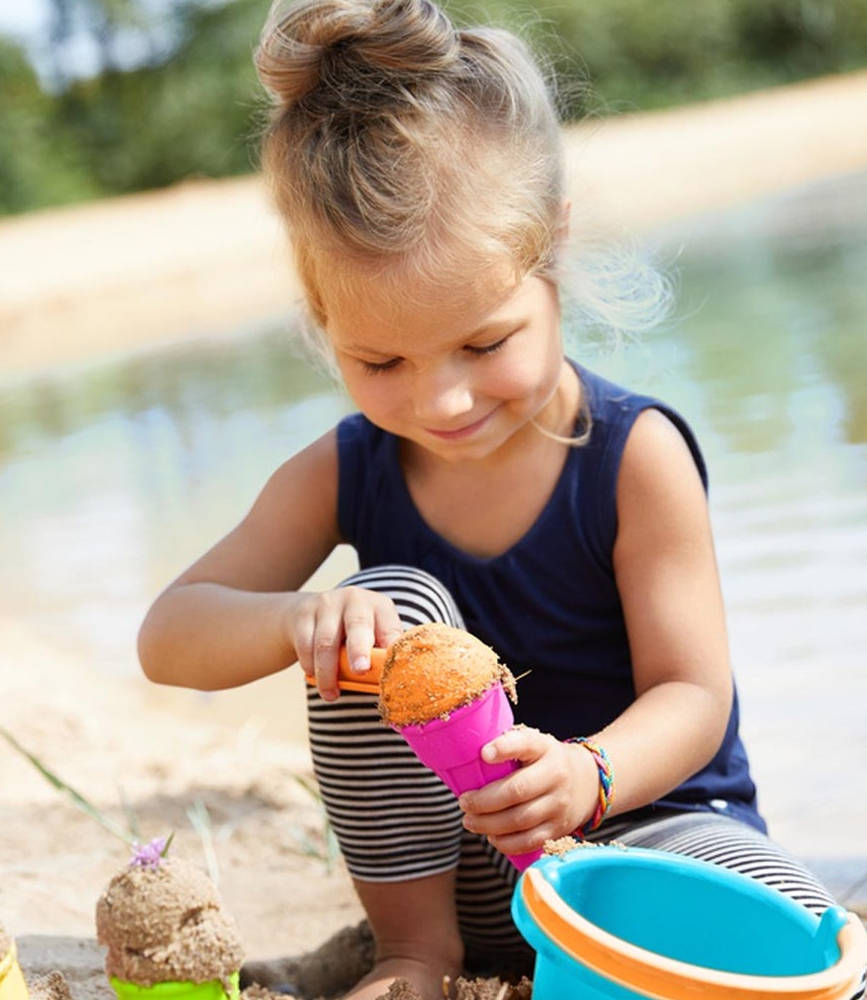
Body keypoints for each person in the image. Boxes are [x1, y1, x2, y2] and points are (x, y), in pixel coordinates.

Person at [138, 1, 858, 998]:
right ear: (321, 315)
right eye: (378, 358)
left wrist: (586, 773)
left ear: (549, 248)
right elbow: (169, 635)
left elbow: (693, 697)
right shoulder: (347, 468)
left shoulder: (632, 456)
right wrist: (305, 619)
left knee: (807, 947)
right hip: (463, 881)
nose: (442, 399)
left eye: (484, 342)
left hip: (652, 835)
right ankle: (411, 958)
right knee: (385, 606)